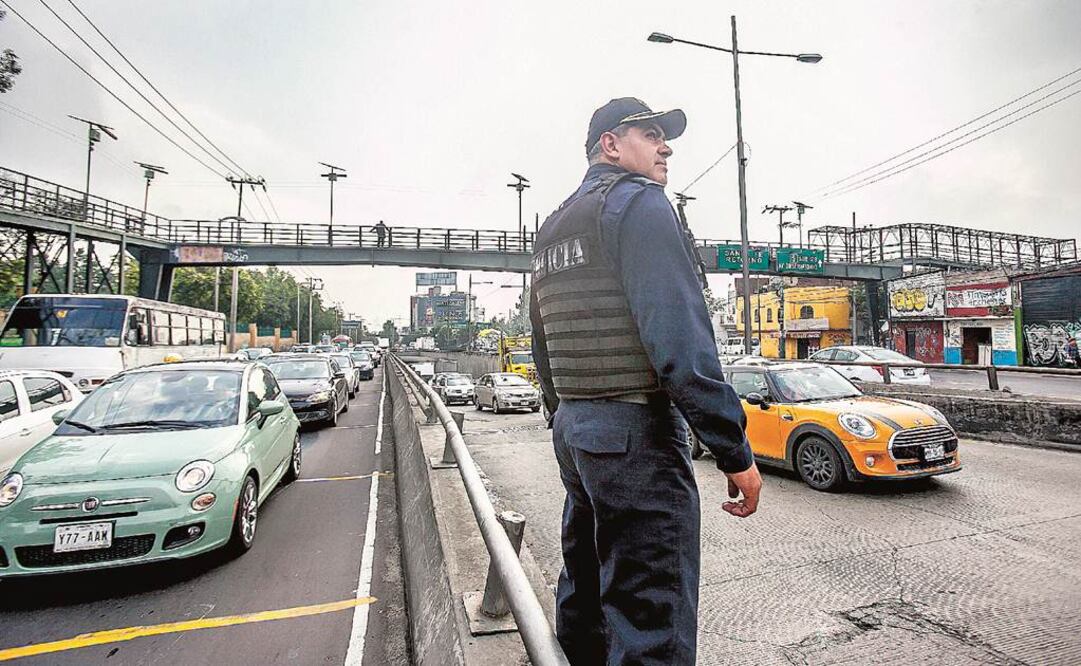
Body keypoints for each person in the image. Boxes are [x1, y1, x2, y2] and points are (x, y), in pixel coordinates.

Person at [530, 97, 762, 665]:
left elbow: (542, 343)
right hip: (635, 434)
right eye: (652, 134)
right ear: (611, 144)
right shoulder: (640, 205)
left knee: (586, 592)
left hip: (577, 431)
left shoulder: (555, 224)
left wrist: (566, 414)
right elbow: (681, 340)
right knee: (650, 619)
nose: (667, 147)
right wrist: (734, 450)